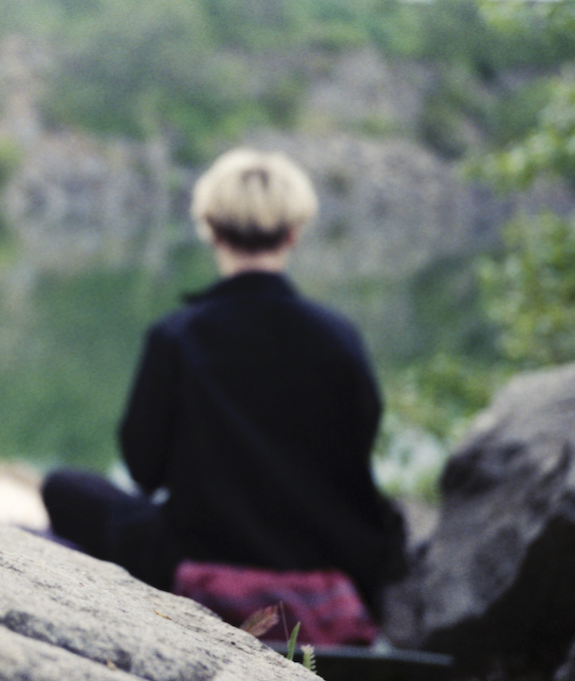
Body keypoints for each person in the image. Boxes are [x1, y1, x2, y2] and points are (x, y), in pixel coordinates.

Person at [41, 148, 404, 617]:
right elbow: (359, 450)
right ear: (293, 233)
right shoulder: (339, 337)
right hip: (321, 559)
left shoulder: (177, 336)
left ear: (210, 228)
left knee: (64, 487)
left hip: (199, 556)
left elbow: (144, 470)